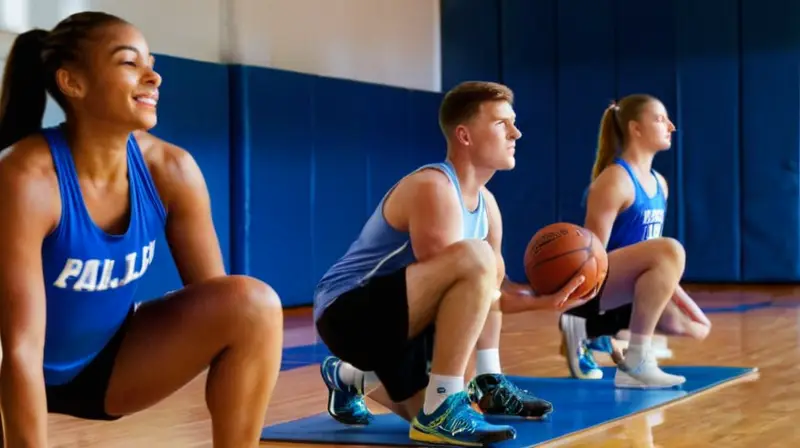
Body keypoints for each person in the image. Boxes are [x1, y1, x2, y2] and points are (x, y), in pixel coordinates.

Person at [0, 12, 283, 447]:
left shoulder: (171, 169)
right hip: (10, 359)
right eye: (129, 63)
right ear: (72, 82)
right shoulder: (26, 177)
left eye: (151, 63)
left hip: (104, 368)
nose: (153, 77)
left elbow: (216, 303)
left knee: (252, 305)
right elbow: (19, 348)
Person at [312, 81, 596, 446]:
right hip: (348, 313)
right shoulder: (434, 188)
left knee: (421, 410)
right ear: (464, 135)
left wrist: (546, 299)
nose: (516, 133)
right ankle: (444, 408)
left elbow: (492, 292)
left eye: (514, 123)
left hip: (402, 320)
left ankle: (350, 377)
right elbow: (454, 300)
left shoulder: (487, 204)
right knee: (478, 259)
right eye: (501, 123)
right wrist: (535, 303)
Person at [559, 94, 712, 383]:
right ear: (636, 128)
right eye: (660, 119)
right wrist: (579, 305)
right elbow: (590, 258)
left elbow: (658, 262)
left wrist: (682, 301)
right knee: (671, 248)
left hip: (633, 288)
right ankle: (632, 356)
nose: (671, 126)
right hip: (600, 288)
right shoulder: (615, 180)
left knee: (696, 327)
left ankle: (599, 332)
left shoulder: (660, 183)